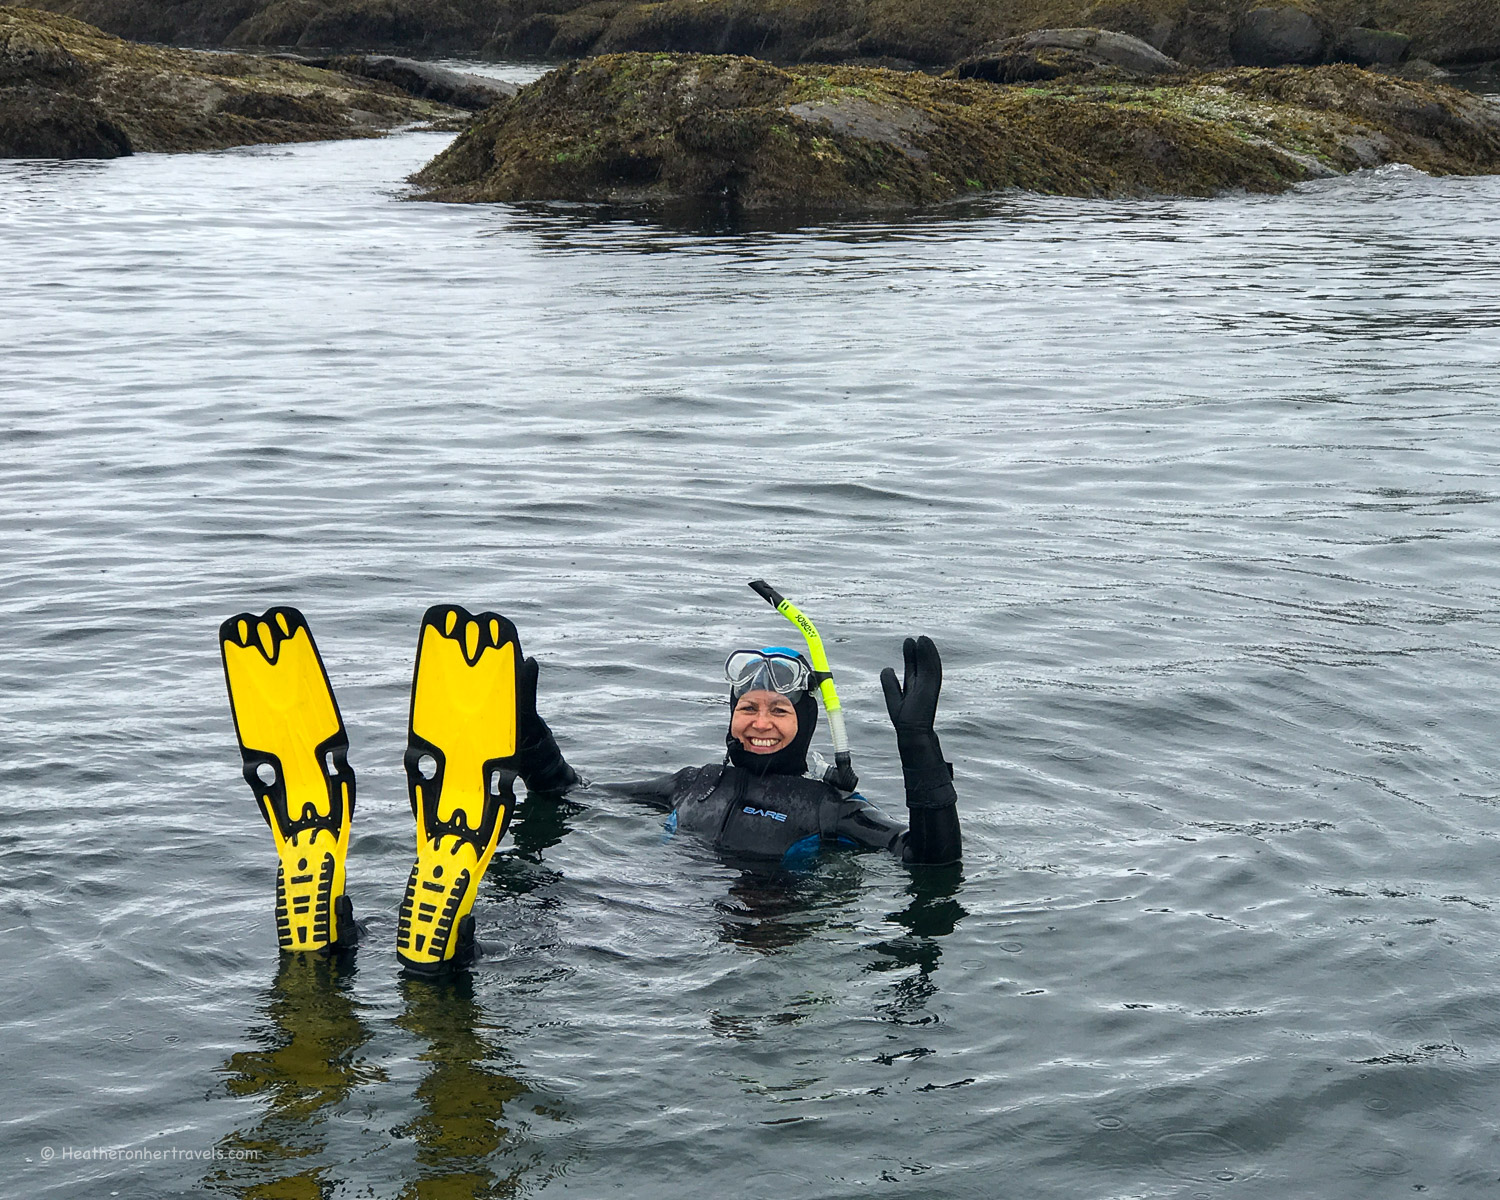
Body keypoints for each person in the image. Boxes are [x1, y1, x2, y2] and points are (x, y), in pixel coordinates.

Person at [511, 637, 962, 868]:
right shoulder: (694, 784)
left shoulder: (832, 810)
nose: (760, 723)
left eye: (779, 711)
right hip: (672, 923)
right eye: (747, 707)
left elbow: (930, 858)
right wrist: (531, 738)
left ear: (804, 722)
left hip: (776, 943)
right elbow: (574, 793)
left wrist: (919, 747)